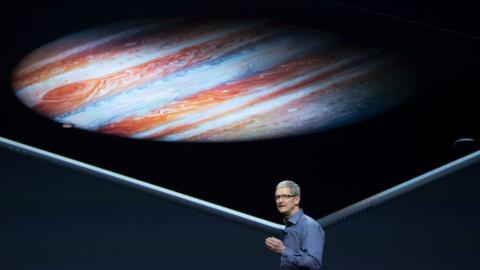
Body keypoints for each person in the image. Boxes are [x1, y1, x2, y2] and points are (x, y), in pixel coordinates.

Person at [265, 180, 325, 269]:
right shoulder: (289, 226)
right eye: (277, 197)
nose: (280, 201)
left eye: (285, 196)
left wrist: (283, 250)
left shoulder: (309, 226)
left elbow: (313, 263)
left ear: (296, 199)